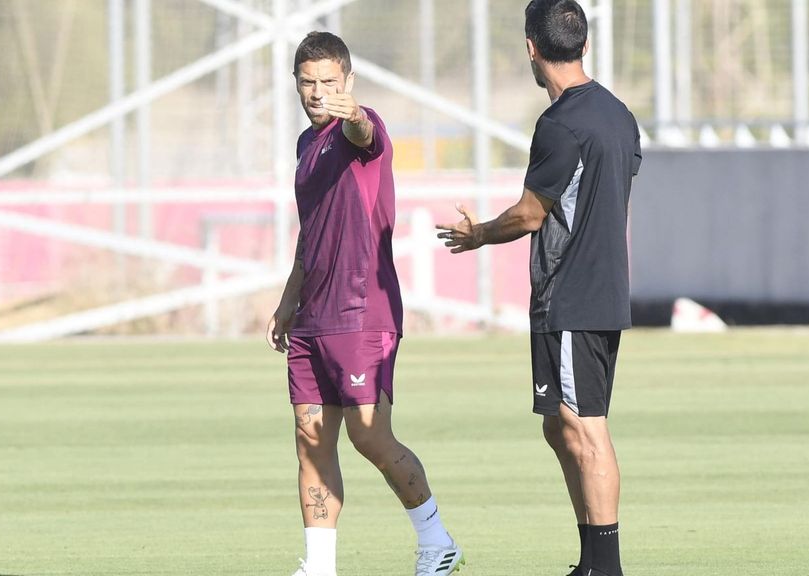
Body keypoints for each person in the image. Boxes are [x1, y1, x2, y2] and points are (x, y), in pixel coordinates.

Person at [436, 2, 641, 575]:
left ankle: (607, 567)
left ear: (532, 47)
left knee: (585, 426)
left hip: (571, 296)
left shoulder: (560, 125)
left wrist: (477, 234)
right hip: (597, 291)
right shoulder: (618, 115)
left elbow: (530, 214)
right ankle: (590, 561)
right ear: (582, 43)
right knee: (559, 424)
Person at [267, 31, 464, 576]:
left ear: (347, 82)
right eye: (307, 83)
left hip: (362, 310)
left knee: (368, 434)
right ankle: (321, 567)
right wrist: (289, 301)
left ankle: (436, 540)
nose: (317, 92)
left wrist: (353, 112)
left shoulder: (362, 130)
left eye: (328, 82)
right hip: (314, 315)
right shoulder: (306, 146)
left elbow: (365, 130)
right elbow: (311, 234)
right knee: (310, 437)